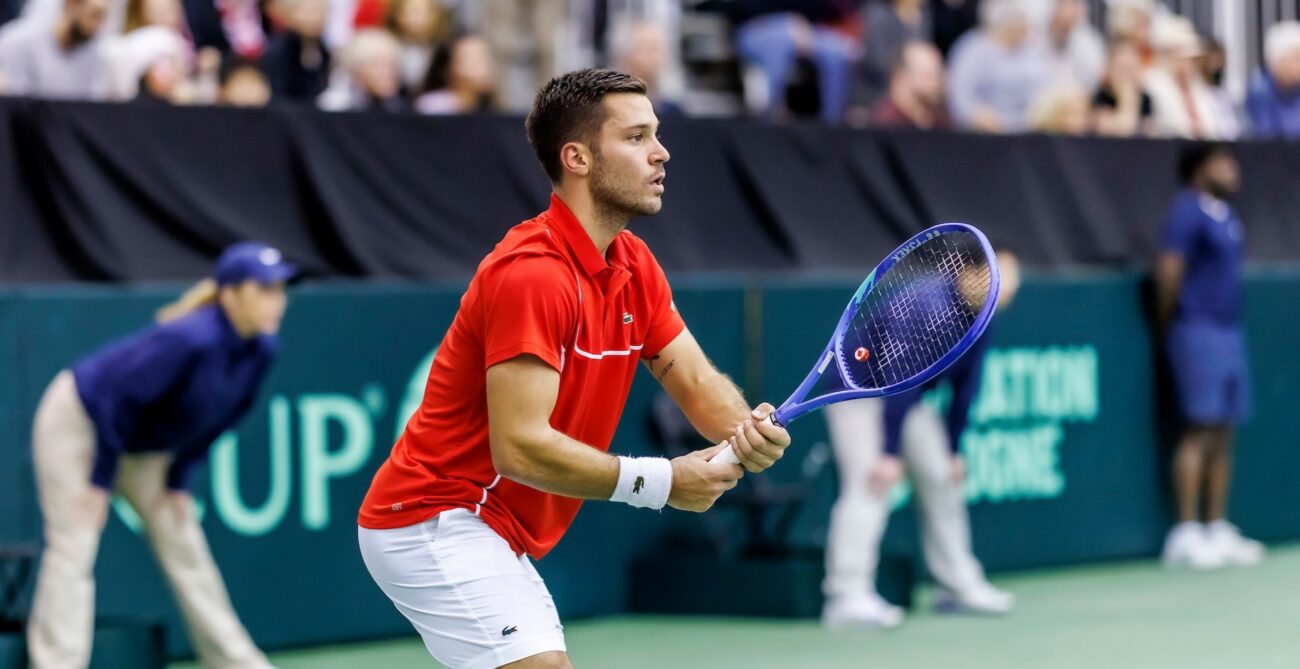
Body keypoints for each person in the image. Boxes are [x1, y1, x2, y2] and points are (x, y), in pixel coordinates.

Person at [358, 69, 792, 669]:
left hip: (497, 528)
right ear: (578, 157)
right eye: (637, 137)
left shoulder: (633, 261)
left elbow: (692, 379)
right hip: (436, 517)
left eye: (657, 135)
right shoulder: (532, 273)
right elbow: (521, 448)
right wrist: (664, 484)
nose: (662, 153)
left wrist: (745, 432)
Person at [26, 242, 294, 669]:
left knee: (185, 545)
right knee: (73, 545)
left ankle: (237, 662)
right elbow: (117, 400)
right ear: (229, 294)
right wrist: (99, 480)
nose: (276, 301)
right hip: (79, 422)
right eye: (263, 289)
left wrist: (177, 480)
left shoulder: (262, 349)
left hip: (141, 447)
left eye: (280, 289)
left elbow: (221, 419)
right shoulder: (192, 338)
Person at [821, 250, 1020, 629]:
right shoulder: (926, 305)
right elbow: (897, 378)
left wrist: (953, 448)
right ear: (967, 274)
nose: (1008, 286)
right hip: (860, 393)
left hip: (907, 399)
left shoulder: (984, 311)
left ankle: (956, 585)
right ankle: (845, 596)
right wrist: (889, 453)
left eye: (1012, 277)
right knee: (871, 484)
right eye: (998, 275)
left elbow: (966, 385)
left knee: (942, 476)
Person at [1154, 144, 1264, 571]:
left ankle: (1216, 527)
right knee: (1199, 430)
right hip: (1196, 328)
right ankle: (1185, 533)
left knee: (1224, 431)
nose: (1233, 169)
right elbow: (1169, 272)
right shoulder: (1187, 211)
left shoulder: (1227, 216)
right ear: (1200, 171)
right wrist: (1173, 323)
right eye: (1222, 161)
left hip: (1228, 330)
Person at [947, 0, 1052, 133]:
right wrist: (974, 114)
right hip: (978, 135)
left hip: (1024, 135)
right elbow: (959, 96)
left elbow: (1045, 94)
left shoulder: (1031, 53)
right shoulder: (972, 49)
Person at [0, 0, 110, 100]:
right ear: (71, 4)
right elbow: (14, 105)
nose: (99, 26)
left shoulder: (93, 54)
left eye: (104, 18)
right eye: (95, 15)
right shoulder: (17, 43)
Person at [869, 40, 949, 130]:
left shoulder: (941, 122)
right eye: (928, 76)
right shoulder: (884, 125)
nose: (937, 84)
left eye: (939, 76)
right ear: (900, 78)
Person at [414, 32, 496, 115]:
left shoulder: (488, 109)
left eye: (485, 59)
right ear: (445, 70)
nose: (484, 68)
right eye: (473, 61)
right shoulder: (434, 108)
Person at [1245, 21, 1300, 139]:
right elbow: (1265, 137)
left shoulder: (1296, 89)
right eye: (1296, 59)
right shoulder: (1259, 91)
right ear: (1276, 61)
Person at [1092, 38, 1153, 137]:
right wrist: (1127, 99)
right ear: (1109, 69)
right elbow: (1123, 130)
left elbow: (1149, 133)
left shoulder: (1145, 98)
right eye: (1121, 69)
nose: (1126, 77)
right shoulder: (1102, 96)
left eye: (1130, 69)